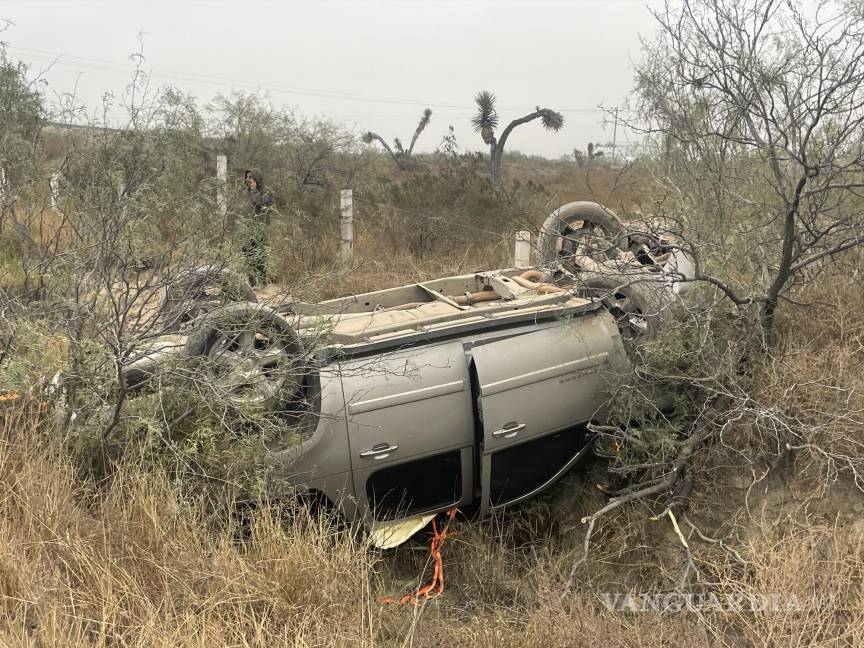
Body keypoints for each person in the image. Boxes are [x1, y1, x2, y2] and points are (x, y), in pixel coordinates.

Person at [242, 169, 273, 286]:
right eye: (247, 177)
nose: (248, 179)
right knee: (247, 254)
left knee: (259, 255)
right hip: (247, 229)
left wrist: (255, 191)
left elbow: (263, 204)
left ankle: (263, 281)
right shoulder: (246, 192)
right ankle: (251, 281)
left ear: (257, 178)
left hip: (260, 229)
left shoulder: (266, 192)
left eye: (250, 177)